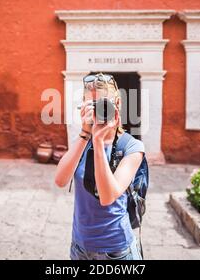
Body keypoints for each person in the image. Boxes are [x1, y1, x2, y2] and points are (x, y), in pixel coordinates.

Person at [54, 73, 145, 260]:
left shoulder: (132, 148)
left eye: (105, 104)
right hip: (79, 247)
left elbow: (107, 197)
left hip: (116, 251)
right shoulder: (82, 141)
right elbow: (60, 180)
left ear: (117, 104)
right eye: (92, 105)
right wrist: (85, 134)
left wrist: (98, 142)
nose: (100, 110)